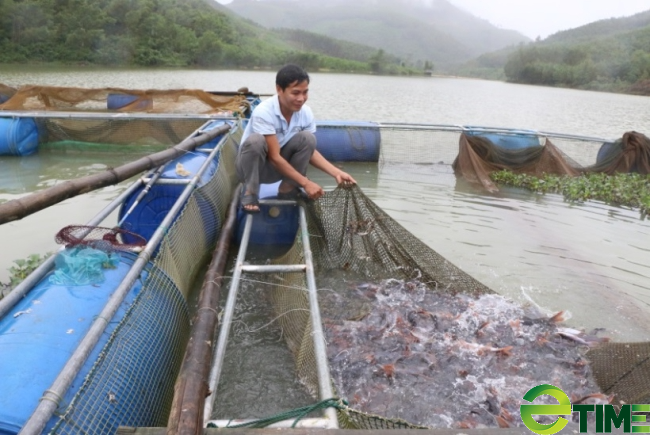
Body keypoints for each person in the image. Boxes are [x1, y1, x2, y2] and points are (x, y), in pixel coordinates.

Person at [236, 64, 356, 213]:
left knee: (308, 139)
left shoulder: (305, 113)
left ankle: (287, 188)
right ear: (279, 89)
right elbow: (274, 157)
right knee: (256, 141)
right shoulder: (264, 112)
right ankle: (250, 192)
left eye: (305, 92)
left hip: (278, 170)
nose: (301, 98)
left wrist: (336, 173)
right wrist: (306, 183)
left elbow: (310, 151)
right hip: (252, 168)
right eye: (295, 93)